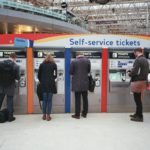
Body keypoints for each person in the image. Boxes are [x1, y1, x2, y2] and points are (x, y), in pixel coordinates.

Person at [128, 48, 149, 122]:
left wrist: (129, 73)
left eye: (134, 53)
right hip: (143, 82)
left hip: (137, 82)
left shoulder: (138, 60)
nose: (134, 54)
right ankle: (137, 114)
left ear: (137, 52)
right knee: (138, 99)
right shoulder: (145, 60)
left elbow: (134, 71)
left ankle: (140, 116)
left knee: (137, 100)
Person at [70, 52, 91, 119]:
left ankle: (77, 114)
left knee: (77, 99)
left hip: (77, 83)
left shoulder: (73, 62)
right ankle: (84, 113)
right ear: (82, 55)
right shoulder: (87, 61)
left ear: (77, 56)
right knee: (85, 99)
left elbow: (70, 72)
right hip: (85, 83)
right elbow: (88, 71)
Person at [0, 53, 20, 122]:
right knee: (9, 101)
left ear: (9, 57)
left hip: (1, 85)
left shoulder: (1, 63)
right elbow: (18, 77)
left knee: (0, 101)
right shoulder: (16, 66)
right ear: (15, 58)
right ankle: (10, 118)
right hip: (10, 86)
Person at [38, 54, 57, 121]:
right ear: (52, 58)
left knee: (44, 100)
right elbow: (55, 75)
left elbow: (38, 75)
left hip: (43, 85)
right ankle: (48, 116)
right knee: (49, 100)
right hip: (51, 85)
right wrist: (52, 79)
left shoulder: (41, 65)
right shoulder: (54, 65)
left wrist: (42, 81)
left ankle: (44, 115)